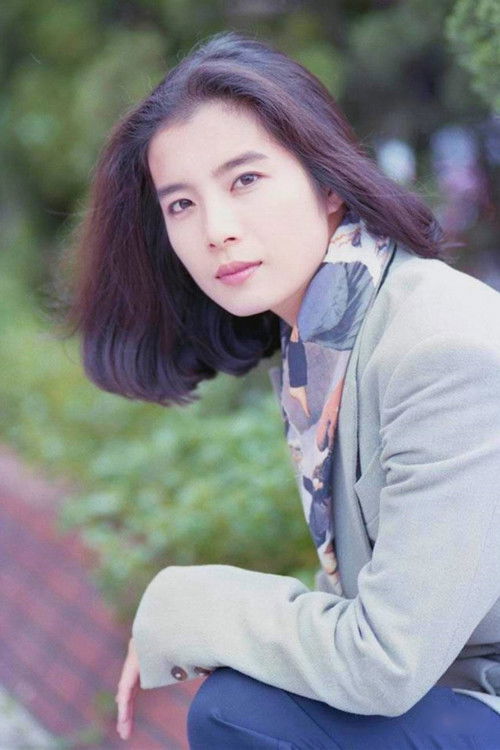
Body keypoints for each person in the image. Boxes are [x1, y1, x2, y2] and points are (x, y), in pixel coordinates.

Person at [57, 30, 500, 749]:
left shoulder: (440, 350)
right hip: (450, 698)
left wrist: (186, 603)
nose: (217, 230)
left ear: (328, 182)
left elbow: (385, 662)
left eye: (245, 180)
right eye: (181, 204)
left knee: (239, 710)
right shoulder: (323, 343)